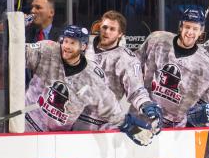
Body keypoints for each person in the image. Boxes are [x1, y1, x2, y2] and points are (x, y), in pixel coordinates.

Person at [24, 25, 152, 145]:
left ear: (83, 47)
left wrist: (129, 126)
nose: (66, 46)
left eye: (72, 43)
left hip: (56, 140)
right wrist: (10, 34)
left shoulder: (92, 78)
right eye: (65, 41)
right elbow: (19, 54)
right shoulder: (48, 50)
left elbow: (110, 107)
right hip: (26, 127)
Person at [136, 8, 209, 127]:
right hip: (143, 118)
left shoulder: (206, 62)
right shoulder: (157, 40)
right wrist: (141, 99)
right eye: (187, 27)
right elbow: (134, 64)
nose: (190, 32)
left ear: (201, 32)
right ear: (180, 27)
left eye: (195, 29)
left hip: (177, 127)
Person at [75, 10, 162, 131]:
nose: (106, 32)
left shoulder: (126, 59)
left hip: (100, 122)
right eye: (104, 27)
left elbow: (136, 90)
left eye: (112, 29)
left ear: (120, 34)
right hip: (72, 115)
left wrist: (145, 104)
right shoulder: (83, 44)